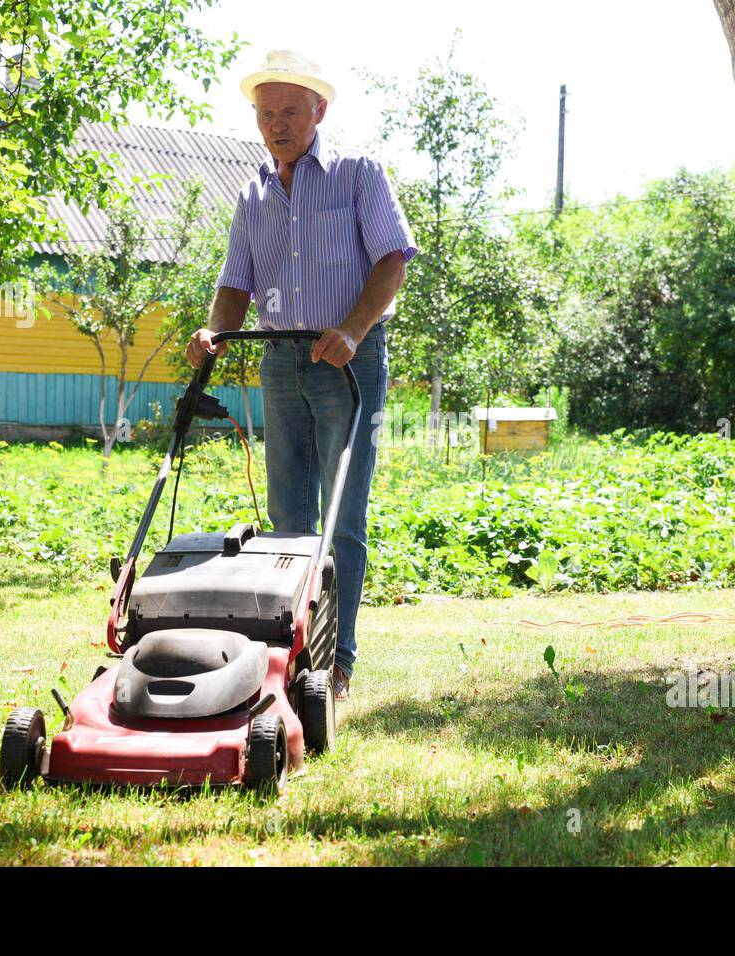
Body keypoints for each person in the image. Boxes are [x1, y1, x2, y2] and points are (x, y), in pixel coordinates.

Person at [187, 50, 417, 701]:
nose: (277, 123)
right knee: (289, 523)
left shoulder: (356, 176)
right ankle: (291, 658)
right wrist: (214, 332)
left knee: (342, 517)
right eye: (266, 113)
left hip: (347, 363)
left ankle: (337, 663)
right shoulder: (252, 194)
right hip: (279, 362)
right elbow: (235, 284)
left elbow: (392, 260)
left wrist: (352, 328)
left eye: (290, 110)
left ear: (320, 110)